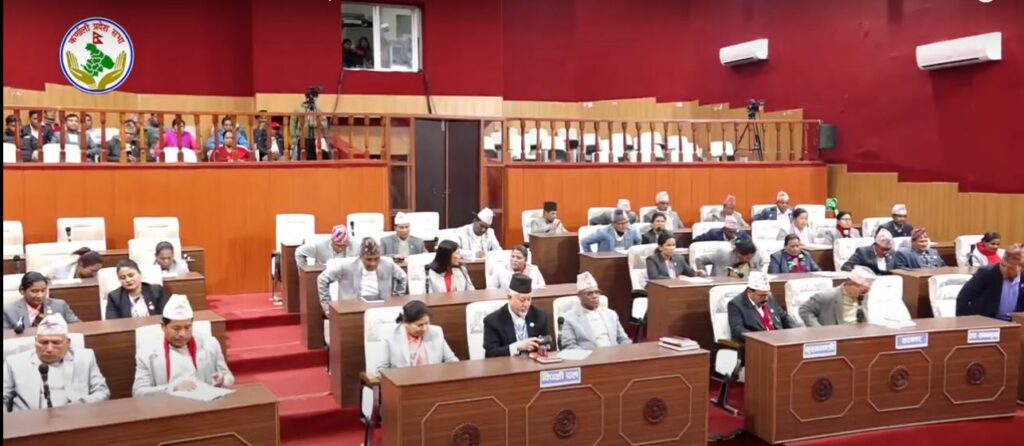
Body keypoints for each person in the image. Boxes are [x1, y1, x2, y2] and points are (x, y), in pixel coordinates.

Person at [2, 314, 109, 411]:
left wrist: (78, 406)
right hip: (28, 420)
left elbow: (102, 392)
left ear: (68, 343)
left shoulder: (85, 358)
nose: (49, 349)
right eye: (44, 342)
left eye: (56, 343)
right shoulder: (14, 362)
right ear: (35, 342)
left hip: (73, 418)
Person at [132, 295, 234, 396]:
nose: (183, 334)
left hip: (204, 401)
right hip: (169, 403)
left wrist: (222, 380)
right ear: (163, 327)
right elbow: (138, 392)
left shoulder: (210, 344)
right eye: (176, 329)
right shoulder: (147, 352)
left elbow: (229, 379)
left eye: (187, 328)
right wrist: (172, 388)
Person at [317, 238, 407, 310]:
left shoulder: (387, 263)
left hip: (381, 307)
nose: (373, 263)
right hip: (351, 309)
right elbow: (322, 279)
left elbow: (402, 277)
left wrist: (396, 299)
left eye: (376, 259)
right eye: (368, 259)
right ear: (361, 257)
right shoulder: (346, 265)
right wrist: (327, 307)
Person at [375, 300, 458, 375]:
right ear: (405, 323)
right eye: (419, 325)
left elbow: (451, 360)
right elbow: (381, 370)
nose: (424, 328)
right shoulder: (390, 337)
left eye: (427, 323)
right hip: (403, 382)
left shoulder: (436, 332)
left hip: (433, 380)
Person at [482, 274, 550, 358]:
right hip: (507, 364)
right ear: (509, 297)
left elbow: (548, 341)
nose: (526, 304)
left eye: (529, 299)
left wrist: (544, 346)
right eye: (522, 300)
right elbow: (491, 353)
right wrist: (517, 347)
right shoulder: (493, 321)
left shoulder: (539, 316)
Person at [559, 272, 631, 350]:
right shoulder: (570, 318)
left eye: (597, 292)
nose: (595, 296)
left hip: (614, 354)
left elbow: (624, 339)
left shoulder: (611, 314)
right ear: (579, 296)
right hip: (588, 356)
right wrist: (590, 356)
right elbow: (569, 346)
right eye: (589, 293)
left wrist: (622, 352)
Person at [727, 271, 800, 341]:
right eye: (762, 295)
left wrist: (796, 330)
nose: (766, 298)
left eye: (767, 294)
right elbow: (737, 330)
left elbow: (783, 316)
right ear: (749, 292)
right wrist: (760, 338)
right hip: (759, 343)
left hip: (778, 339)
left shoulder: (769, 298)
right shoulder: (736, 304)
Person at [956, 244, 1022, 321]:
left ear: (1020, 267)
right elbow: (963, 298)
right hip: (988, 322)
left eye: (1010, 268)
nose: (1005, 270)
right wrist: (963, 321)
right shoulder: (987, 273)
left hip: (1017, 323)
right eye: (1003, 265)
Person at [799, 266, 877, 327]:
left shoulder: (862, 296)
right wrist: (818, 330)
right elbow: (804, 309)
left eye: (867, 290)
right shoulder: (827, 296)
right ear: (851, 285)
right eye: (863, 290)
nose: (865, 294)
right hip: (836, 334)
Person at [3, 272, 81, 330]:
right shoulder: (8, 310)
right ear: (22, 291)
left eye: (43, 290)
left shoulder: (60, 305)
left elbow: (78, 327)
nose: (40, 295)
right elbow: (6, 337)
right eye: (34, 291)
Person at [105, 260, 170, 320]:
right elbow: (112, 323)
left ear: (140, 274)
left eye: (131, 275)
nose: (128, 280)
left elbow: (167, 316)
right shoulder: (114, 297)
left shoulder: (156, 290)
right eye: (123, 278)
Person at [290, 93, 330, 161]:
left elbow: (324, 123)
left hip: (315, 138)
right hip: (302, 137)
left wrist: (316, 124)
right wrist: (293, 137)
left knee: (313, 158)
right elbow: (293, 123)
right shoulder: (299, 109)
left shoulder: (318, 109)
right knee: (301, 157)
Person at [696, 240, 762, 278]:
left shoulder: (756, 256)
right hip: (720, 285)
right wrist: (704, 275)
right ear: (738, 253)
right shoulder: (723, 254)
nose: (750, 260)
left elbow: (758, 273)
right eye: (748, 258)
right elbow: (699, 259)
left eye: (752, 257)